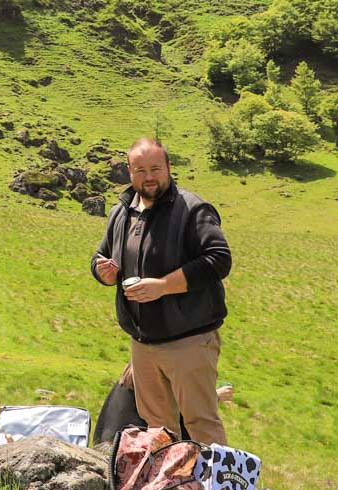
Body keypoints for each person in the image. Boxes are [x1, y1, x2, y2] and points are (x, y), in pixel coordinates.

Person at [90, 137, 232, 445]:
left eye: (155, 168)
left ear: (169, 168)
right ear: (129, 172)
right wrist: (104, 273)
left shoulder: (192, 209)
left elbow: (218, 260)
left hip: (190, 341)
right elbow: (100, 257)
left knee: (200, 423)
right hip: (143, 345)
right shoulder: (122, 212)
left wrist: (163, 286)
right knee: (157, 430)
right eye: (140, 170)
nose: (148, 176)